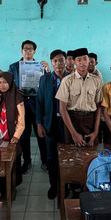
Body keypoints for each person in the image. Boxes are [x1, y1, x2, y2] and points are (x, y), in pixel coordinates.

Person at [8, 40, 50, 174]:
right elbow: (7, 84)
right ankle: (27, 162)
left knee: (41, 134)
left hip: (37, 105)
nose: (28, 51)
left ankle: (45, 161)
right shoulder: (14, 67)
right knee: (24, 136)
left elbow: (48, 84)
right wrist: (15, 90)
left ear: (34, 52)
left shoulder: (40, 66)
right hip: (21, 106)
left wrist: (47, 71)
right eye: (25, 49)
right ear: (21, 51)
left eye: (30, 49)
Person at [36, 50, 68, 199]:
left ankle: (67, 185)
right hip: (50, 123)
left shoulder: (71, 78)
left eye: (61, 60)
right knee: (51, 157)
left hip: (67, 124)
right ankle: (54, 186)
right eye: (55, 61)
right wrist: (39, 123)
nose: (58, 64)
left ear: (66, 61)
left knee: (67, 156)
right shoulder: (45, 79)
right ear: (51, 63)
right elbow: (40, 102)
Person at [55, 48, 103, 147]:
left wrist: (96, 131)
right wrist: (74, 133)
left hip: (90, 121)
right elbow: (62, 109)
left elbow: (99, 107)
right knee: (71, 156)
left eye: (85, 59)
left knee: (91, 155)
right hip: (72, 121)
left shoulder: (96, 81)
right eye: (79, 60)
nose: (82, 63)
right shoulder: (67, 81)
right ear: (74, 62)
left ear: (89, 60)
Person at [0, 72, 26, 189]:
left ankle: (12, 185)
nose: (2, 85)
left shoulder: (17, 96)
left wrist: (16, 135)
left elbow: (21, 119)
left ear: (10, 83)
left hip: (12, 134)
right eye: (0, 82)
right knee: (0, 160)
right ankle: (1, 186)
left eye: (5, 82)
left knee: (13, 160)